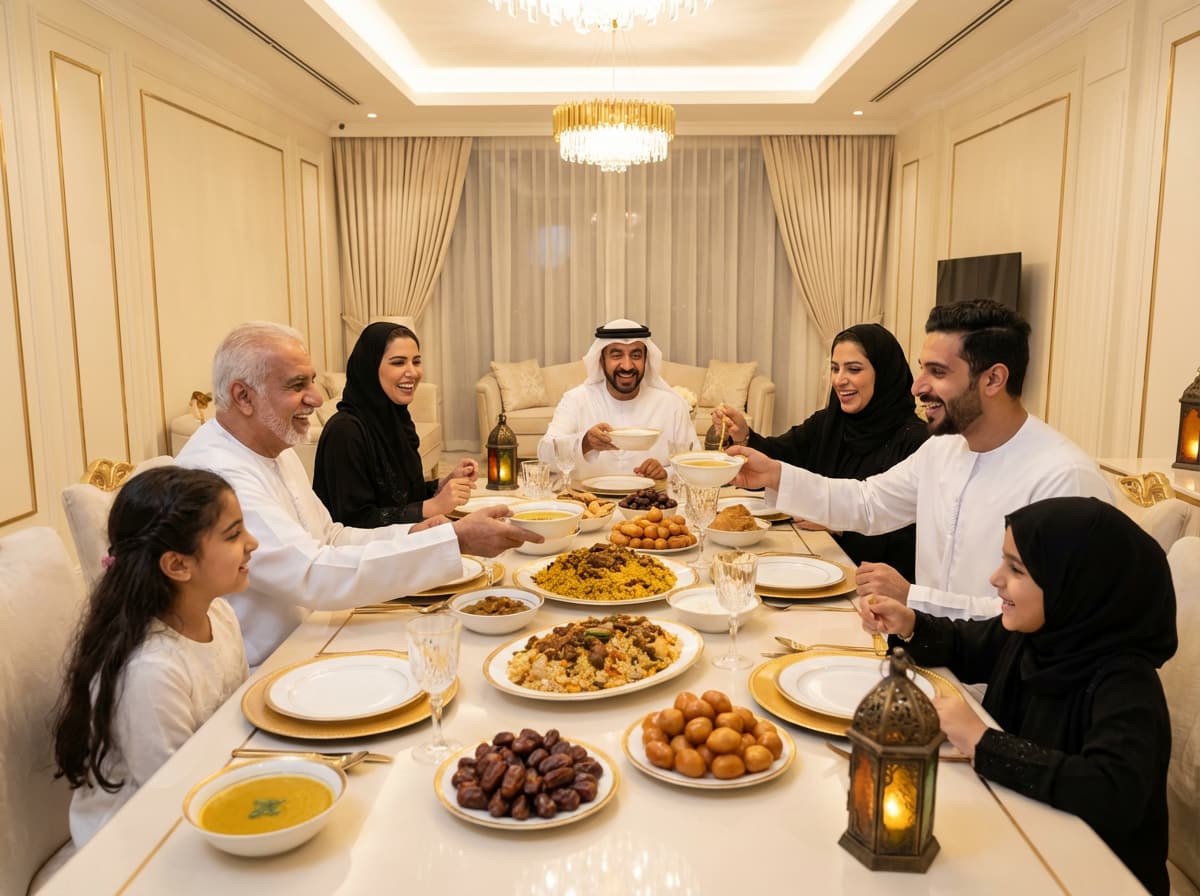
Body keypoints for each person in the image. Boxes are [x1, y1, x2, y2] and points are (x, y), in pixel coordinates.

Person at [858, 497, 1176, 895]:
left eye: (1016, 569)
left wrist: (983, 741)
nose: (995, 578)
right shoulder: (1039, 635)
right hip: (1018, 834)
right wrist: (909, 624)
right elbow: (965, 645)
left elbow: (1112, 792)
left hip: (1088, 874)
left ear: (1072, 583)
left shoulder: (1126, 682)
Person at [176, 322, 539, 665]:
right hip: (274, 656)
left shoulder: (275, 450)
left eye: (313, 382)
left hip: (325, 625)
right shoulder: (218, 474)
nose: (317, 398)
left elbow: (332, 535)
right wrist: (453, 541)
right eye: (297, 385)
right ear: (243, 396)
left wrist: (413, 533)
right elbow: (312, 573)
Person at [729, 300, 1112, 619]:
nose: (917, 386)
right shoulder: (943, 447)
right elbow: (868, 502)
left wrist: (912, 597)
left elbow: (1045, 614)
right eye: (921, 368)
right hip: (923, 648)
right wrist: (775, 474)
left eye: (938, 372)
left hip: (999, 692)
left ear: (993, 380)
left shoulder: (1063, 478)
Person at [53, 467, 255, 847]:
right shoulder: (151, 672)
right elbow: (175, 798)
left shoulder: (219, 615)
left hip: (210, 795)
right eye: (233, 535)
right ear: (178, 565)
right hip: (137, 844)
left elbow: (237, 723)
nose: (253, 542)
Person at [711, 323, 927, 580]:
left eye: (854, 369)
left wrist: (840, 525)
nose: (839, 379)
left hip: (872, 583)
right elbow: (780, 457)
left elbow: (910, 539)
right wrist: (744, 436)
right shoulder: (829, 422)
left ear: (884, 373)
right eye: (835, 368)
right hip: (813, 559)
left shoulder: (917, 441)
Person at [313, 322, 476, 526]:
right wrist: (432, 507)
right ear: (370, 368)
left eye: (416, 362)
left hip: (401, 545)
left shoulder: (397, 421)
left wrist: (443, 485)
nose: (413, 372)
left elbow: (401, 496)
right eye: (398, 362)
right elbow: (352, 521)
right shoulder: (345, 432)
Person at [537, 319, 696, 482]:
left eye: (636, 355)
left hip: (650, 504)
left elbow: (695, 464)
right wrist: (585, 443)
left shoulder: (671, 405)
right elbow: (545, 458)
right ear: (601, 360)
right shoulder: (576, 400)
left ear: (646, 360)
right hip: (588, 503)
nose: (627, 366)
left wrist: (665, 473)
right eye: (616, 355)